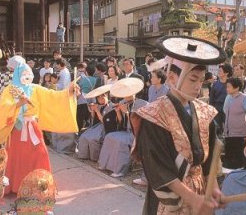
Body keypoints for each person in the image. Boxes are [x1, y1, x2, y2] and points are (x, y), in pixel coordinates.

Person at [131, 36, 226, 215]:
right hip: (170, 198)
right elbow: (157, 168)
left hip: (200, 193)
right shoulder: (154, 115)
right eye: (193, 79)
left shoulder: (205, 112)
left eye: (201, 80)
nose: (198, 86)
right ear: (173, 78)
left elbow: (211, 157)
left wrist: (212, 187)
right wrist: (192, 199)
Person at [0, 62, 79, 194]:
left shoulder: (35, 88)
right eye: (24, 74)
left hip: (33, 128)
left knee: (40, 152)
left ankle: (40, 184)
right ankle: (17, 185)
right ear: (18, 75)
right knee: (18, 156)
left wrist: (69, 91)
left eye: (29, 73)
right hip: (17, 129)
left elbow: (53, 96)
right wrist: (19, 103)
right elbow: (4, 106)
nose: (27, 76)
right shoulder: (10, 89)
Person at [98, 78, 148, 178]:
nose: (126, 95)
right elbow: (121, 122)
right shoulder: (123, 102)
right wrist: (118, 112)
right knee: (109, 136)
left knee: (121, 142)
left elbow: (138, 124)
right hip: (126, 131)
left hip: (136, 133)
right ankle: (105, 164)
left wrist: (126, 113)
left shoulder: (143, 104)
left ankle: (120, 170)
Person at [222, 77, 246, 169]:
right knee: (229, 161)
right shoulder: (229, 98)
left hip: (241, 135)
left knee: (239, 161)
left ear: (237, 87)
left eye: (229, 86)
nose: (227, 89)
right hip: (229, 134)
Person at [77, 87, 114, 161]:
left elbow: (105, 122)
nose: (100, 98)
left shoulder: (111, 107)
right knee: (84, 136)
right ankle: (84, 155)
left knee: (93, 139)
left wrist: (97, 111)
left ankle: (95, 158)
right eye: (98, 97)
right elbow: (93, 119)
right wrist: (92, 110)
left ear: (107, 96)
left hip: (105, 127)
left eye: (103, 96)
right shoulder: (98, 105)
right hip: (96, 126)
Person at [210, 63, 233, 135]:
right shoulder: (215, 84)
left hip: (229, 108)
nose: (218, 72)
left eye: (220, 71)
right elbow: (211, 98)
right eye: (218, 71)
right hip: (217, 108)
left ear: (226, 73)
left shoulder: (232, 84)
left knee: (229, 128)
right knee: (217, 129)